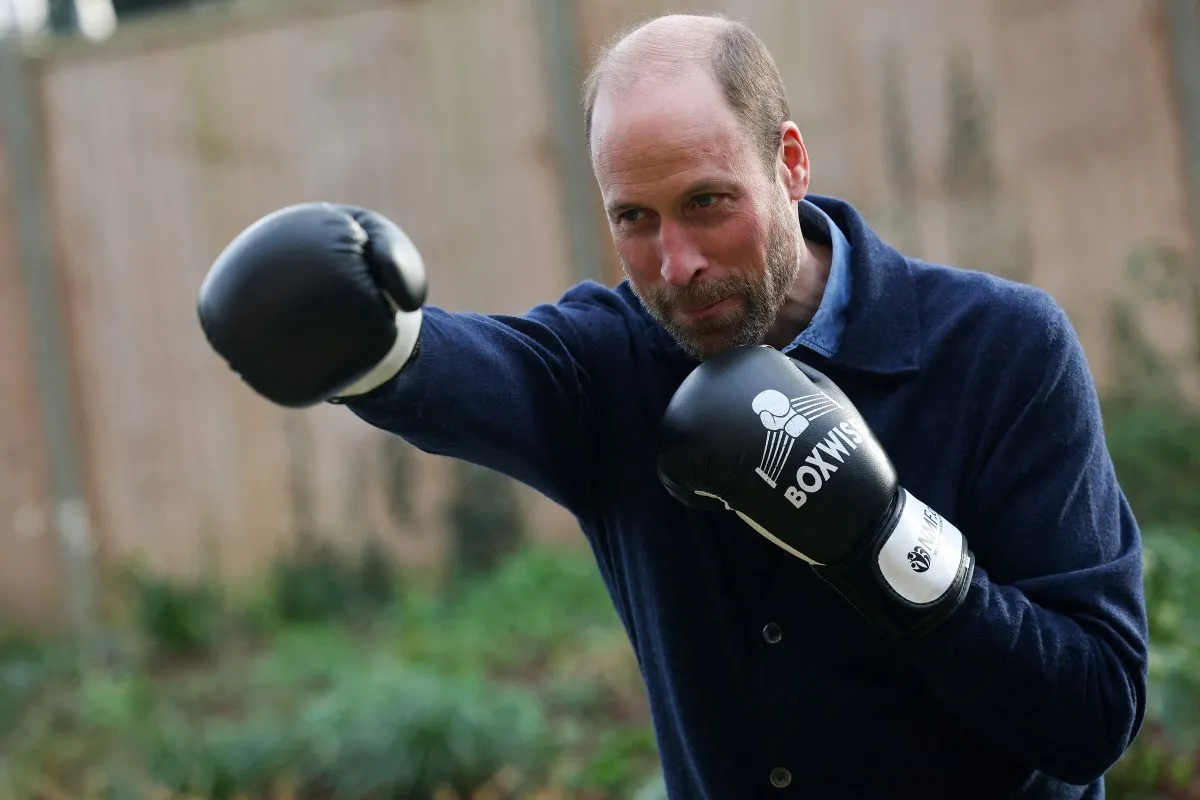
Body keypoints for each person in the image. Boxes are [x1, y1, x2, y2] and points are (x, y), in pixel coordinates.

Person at [196, 12, 1149, 799]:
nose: (675, 264)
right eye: (633, 219)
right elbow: (484, 373)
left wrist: (894, 549)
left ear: (790, 163)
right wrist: (378, 346)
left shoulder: (1002, 349)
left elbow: (1093, 715)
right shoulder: (613, 365)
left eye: (705, 202)